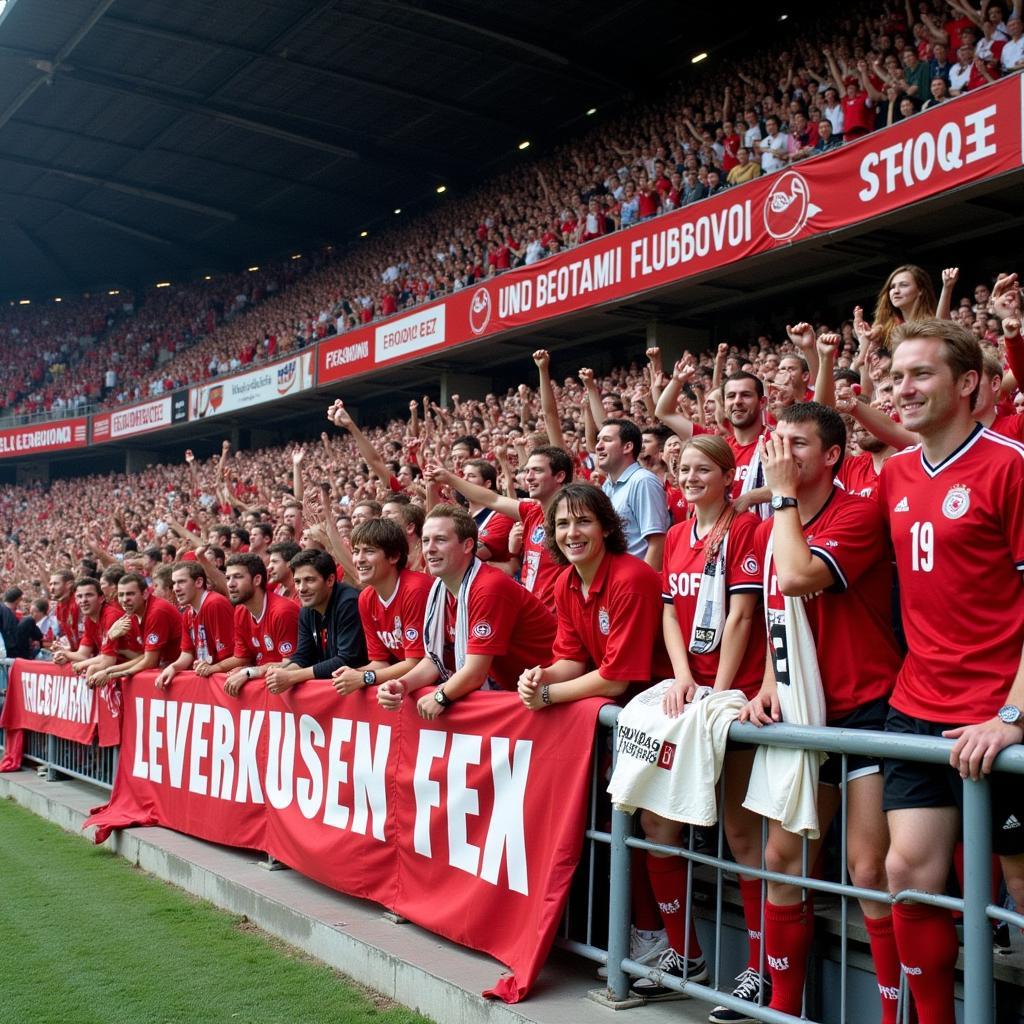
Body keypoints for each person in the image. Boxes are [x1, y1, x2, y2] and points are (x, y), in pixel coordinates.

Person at [879, 319, 1024, 1024]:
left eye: (920, 375)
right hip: (918, 706)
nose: (901, 389)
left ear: (968, 383)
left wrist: (1012, 717)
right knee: (906, 874)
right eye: (896, 376)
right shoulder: (895, 471)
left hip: (1004, 715)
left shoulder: (1011, 464)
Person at [741, 403, 903, 1023]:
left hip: (867, 709)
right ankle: (784, 1009)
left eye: (798, 444)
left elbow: (799, 576)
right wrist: (764, 685)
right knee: (783, 858)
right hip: (803, 714)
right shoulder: (769, 524)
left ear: (832, 456)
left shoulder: (858, 512)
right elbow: (781, 618)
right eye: (777, 442)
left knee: (870, 869)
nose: (782, 454)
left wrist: (779, 500)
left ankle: (893, 1013)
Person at [659, 437, 769, 1020]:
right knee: (657, 817)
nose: (692, 476)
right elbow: (669, 613)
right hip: (689, 692)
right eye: (684, 469)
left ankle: (758, 967)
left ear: (730, 476)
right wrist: (682, 677)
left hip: (733, 698)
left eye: (704, 469)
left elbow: (744, 613)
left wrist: (718, 692)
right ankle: (684, 954)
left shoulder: (749, 529)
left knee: (743, 834)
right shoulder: (677, 535)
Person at [377, 504, 554, 717]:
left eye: (440, 540)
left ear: (468, 545)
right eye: (425, 540)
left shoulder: (488, 587)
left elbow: (474, 673)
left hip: (550, 689)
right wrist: (402, 685)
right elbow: (434, 660)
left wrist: (441, 696)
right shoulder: (439, 590)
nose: (429, 548)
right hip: (520, 692)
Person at [425, 444, 572, 611]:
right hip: (535, 613)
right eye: (527, 471)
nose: (528, 477)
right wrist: (449, 478)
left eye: (537, 471)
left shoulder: (571, 518)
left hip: (559, 617)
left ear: (560, 476)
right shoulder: (532, 513)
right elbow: (492, 500)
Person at [330, 518, 432, 695]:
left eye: (369, 551)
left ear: (394, 556)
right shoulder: (365, 598)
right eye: (355, 552)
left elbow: (416, 662)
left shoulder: (415, 589)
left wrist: (365, 677)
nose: (359, 559)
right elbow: (380, 661)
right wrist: (354, 673)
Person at [264, 548, 366, 694]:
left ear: (330, 580)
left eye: (309, 580)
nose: (301, 588)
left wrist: (291, 676)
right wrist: (282, 673)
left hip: (361, 693)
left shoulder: (349, 603)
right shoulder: (307, 608)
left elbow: (347, 660)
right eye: (297, 581)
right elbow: (303, 656)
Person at [219, 552, 300, 697]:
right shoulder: (241, 610)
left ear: (257, 580)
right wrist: (212, 668)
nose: (230, 584)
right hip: (265, 691)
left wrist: (249, 672)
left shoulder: (282, 612)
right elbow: (243, 657)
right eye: (228, 578)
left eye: (237, 577)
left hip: (291, 694)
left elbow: (290, 664)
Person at [594, 417, 670, 570]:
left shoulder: (643, 481)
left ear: (627, 447)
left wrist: (639, 585)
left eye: (607, 440)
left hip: (634, 584)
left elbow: (658, 542)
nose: (598, 447)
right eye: (598, 440)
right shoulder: (607, 486)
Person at [86, 573, 183, 687]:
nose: (124, 599)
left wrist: (111, 674)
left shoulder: (156, 612)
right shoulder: (132, 615)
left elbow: (150, 662)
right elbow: (142, 656)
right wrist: (110, 639)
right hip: (167, 670)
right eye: (121, 595)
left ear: (145, 594)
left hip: (182, 672)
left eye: (130, 594)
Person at [155, 562, 236, 690]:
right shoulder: (188, 613)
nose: (176, 588)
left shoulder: (215, 604)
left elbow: (233, 655)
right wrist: (173, 667)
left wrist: (210, 666)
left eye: (181, 582)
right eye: (174, 583)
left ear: (198, 582)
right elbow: (187, 653)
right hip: (212, 678)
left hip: (226, 680)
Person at [52, 577, 122, 673]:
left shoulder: (111, 615)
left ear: (101, 598)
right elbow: (83, 654)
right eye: (79, 596)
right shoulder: (89, 620)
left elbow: (108, 659)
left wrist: (78, 661)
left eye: (89, 595)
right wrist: (64, 655)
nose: (83, 600)